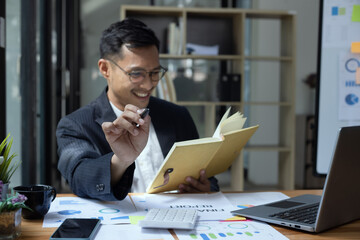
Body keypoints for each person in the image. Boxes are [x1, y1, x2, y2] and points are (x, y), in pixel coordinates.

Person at [56, 18, 219, 201]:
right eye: (136, 74)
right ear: (105, 69)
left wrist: (205, 188)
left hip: (179, 222)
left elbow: (207, 178)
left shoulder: (178, 116)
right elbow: (80, 180)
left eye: (155, 73)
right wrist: (121, 160)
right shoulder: (76, 125)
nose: (149, 84)